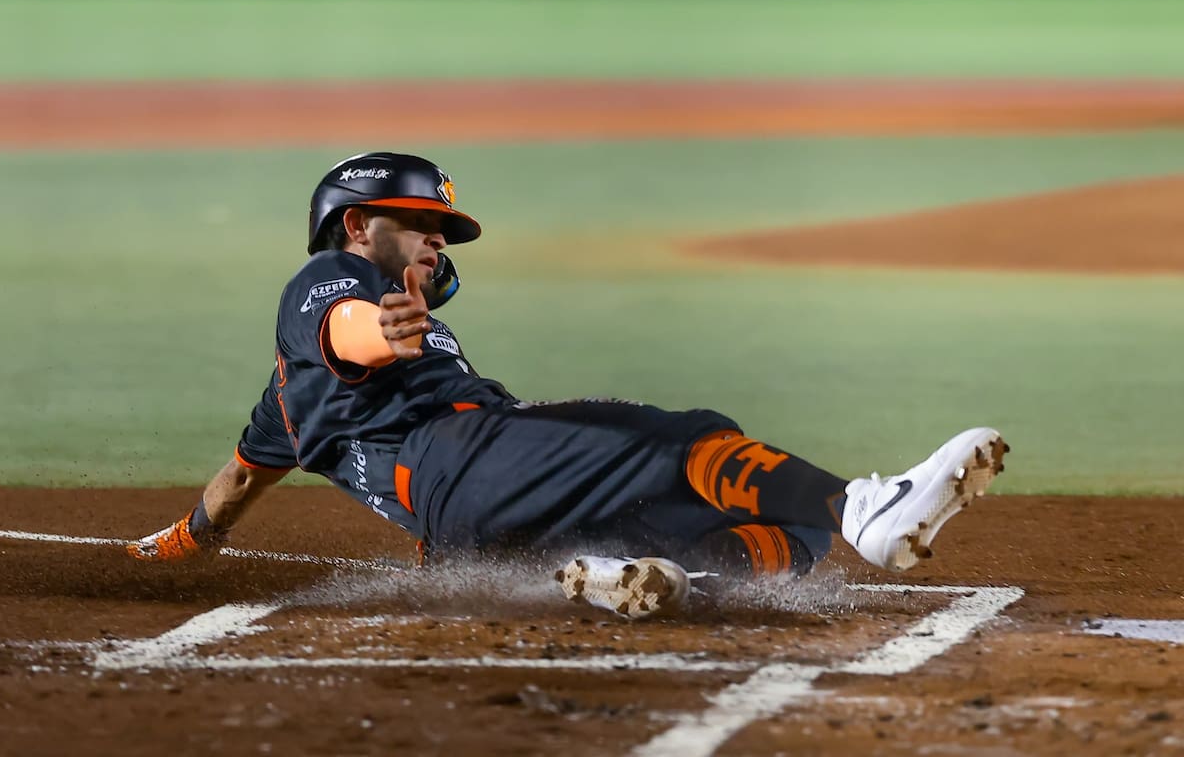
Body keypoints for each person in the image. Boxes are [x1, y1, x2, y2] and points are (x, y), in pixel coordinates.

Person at [129, 152, 1009, 619]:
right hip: (465, 460)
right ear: (358, 225)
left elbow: (240, 479)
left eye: (445, 233)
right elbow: (344, 325)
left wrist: (175, 547)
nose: (437, 244)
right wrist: (384, 329)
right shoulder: (331, 278)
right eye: (423, 226)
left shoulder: (283, 403)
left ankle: (652, 583)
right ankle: (867, 507)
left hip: (471, 537)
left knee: (784, 536)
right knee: (689, 439)